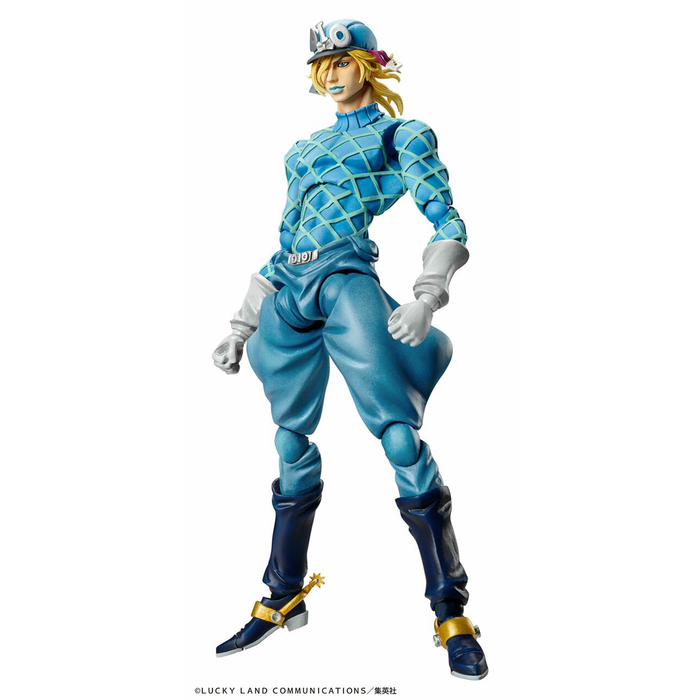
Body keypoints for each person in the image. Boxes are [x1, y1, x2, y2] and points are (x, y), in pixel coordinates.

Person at [211, 19, 488, 680]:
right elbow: (287, 241)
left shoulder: (401, 136)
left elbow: (447, 218)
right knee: (288, 442)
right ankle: (284, 594)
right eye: (323, 66)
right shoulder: (303, 150)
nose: (332, 74)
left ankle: (450, 610)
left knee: (399, 438)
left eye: (342, 61)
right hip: (290, 290)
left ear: (368, 64)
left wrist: (426, 296)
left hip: (346, 281)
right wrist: (241, 325)